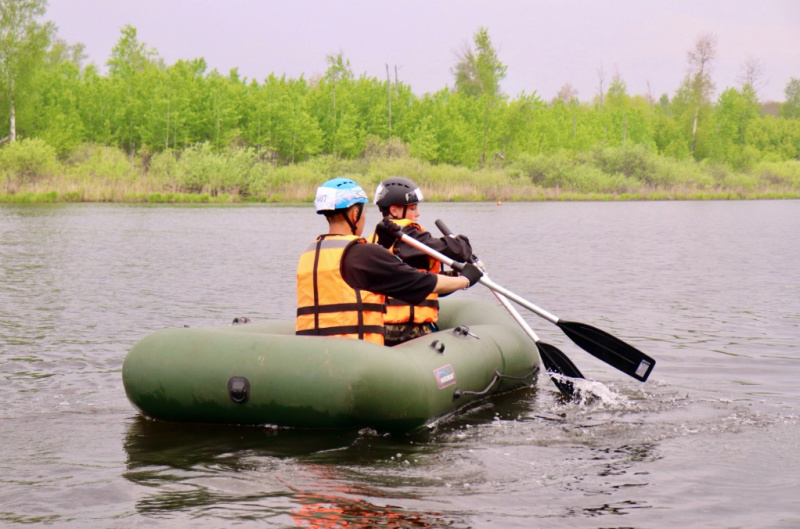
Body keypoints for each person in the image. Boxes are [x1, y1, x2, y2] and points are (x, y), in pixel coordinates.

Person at [296, 177, 482, 346]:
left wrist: (383, 246)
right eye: (363, 213)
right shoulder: (362, 252)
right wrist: (464, 280)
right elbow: (418, 281)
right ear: (354, 214)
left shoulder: (310, 252)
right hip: (356, 354)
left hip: (316, 350)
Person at [369, 177, 475, 346]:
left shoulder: (373, 239)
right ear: (395, 211)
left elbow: (420, 284)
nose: (417, 213)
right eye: (412, 208)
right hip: (409, 330)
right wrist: (463, 244)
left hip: (381, 327)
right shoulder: (408, 237)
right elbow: (455, 250)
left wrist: (458, 276)